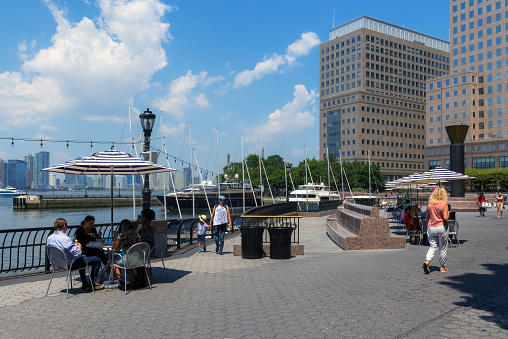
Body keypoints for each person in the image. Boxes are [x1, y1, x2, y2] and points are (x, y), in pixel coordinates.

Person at [46, 218, 104, 290]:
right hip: (69, 265)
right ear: (64, 226)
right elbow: (77, 254)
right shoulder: (65, 238)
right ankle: (92, 284)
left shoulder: (50, 237)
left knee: (81, 259)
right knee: (97, 259)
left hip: (57, 264)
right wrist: (79, 248)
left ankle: (85, 283)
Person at [423, 187, 449, 274]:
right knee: (443, 247)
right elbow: (445, 217)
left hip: (431, 227)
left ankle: (427, 262)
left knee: (432, 246)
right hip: (441, 226)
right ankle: (442, 267)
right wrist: (447, 212)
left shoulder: (429, 204)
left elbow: (427, 217)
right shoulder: (444, 204)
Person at [113, 219, 141, 289]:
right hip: (139, 259)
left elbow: (115, 248)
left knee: (115, 264)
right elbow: (139, 249)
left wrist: (116, 238)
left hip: (127, 260)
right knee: (127, 265)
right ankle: (135, 279)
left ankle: (120, 280)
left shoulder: (121, 235)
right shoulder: (136, 234)